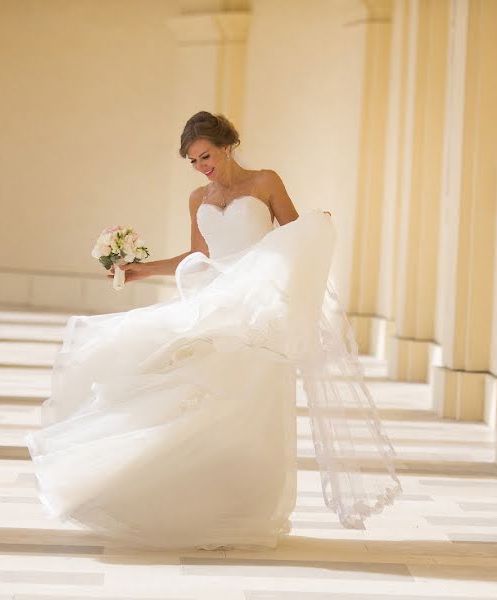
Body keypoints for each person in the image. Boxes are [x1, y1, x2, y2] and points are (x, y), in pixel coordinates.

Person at [25, 111, 400, 550]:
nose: (202, 166)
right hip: (211, 302)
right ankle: (181, 499)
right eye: (193, 160)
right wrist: (144, 270)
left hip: (257, 309)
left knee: (249, 406)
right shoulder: (197, 197)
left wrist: (316, 228)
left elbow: (293, 238)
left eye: (206, 155)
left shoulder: (265, 182)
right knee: (189, 397)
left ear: (227, 146)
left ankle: (243, 508)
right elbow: (198, 255)